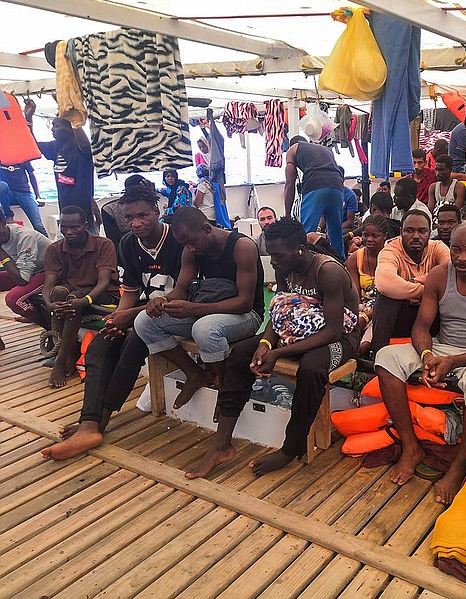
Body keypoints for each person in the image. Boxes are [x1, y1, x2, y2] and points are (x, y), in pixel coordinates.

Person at [185, 217, 361, 479]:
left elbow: (333, 331)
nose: (273, 262)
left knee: (312, 369)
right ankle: (221, 443)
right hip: (296, 328)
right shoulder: (284, 268)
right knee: (242, 353)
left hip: (338, 335)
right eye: (271, 255)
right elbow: (279, 312)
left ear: (300, 249)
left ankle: (291, 448)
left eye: (277, 255)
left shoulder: (328, 271)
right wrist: (266, 343)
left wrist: (277, 352)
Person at [41, 184, 184, 460]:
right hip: (140, 313)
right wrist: (120, 317)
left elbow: (182, 294)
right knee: (99, 346)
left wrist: (128, 317)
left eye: (143, 215)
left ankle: (96, 424)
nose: (136, 223)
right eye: (129, 218)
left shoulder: (177, 241)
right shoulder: (128, 243)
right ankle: (89, 422)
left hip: (172, 315)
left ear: (157, 212)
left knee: (131, 346)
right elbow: (129, 291)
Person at [375, 222, 466, 503]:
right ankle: (410, 446)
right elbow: (421, 327)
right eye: (457, 250)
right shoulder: (439, 276)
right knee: (386, 357)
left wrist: (453, 361)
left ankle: (459, 464)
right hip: (443, 348)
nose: (462, 258)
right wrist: (427, 356)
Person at [134, 206, 263, 410]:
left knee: (204, 329)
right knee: (144, 321)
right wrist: (162, 301)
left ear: (206, 229)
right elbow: (182, 290)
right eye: (185, 244)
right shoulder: (191, 249)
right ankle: (195, 373)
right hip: (206, 310)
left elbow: (244, 303)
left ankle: (226, 387)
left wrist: (193, 309)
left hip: (246, 315)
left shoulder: (242, 247)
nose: (190, 248)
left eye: (192, 242)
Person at [43, 206, 119, 387]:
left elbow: (103, 282)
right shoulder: (55, 249)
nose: (68, 232)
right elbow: (48, 284)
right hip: (74, 293)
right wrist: (49, 305)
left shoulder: (103, 244)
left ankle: (62, 360)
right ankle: (69, 354)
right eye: (64, 227)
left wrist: (85, 301)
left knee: (71, 299)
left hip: (103, 295)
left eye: (75, 227)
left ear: (86, 225)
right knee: (60, 293)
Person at [372, 210, 450, 353]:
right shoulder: (391, 250)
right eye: (409, 230)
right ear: (401, 232)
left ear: (430, 232)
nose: (416, 236)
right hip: (403, 316)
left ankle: (449, 348)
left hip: (431, 315)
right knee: (385, 299)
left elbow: (450, 273)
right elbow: (384, 282)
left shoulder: (437, 247)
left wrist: (408, 286)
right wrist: (425, 290)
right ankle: (378, 354)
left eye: (422, 231)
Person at [24, 100, 101, 234]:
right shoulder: (56, 147)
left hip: (85, 219)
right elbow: (31, 144)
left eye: (56, 126)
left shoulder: (81, 150)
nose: (52, 129)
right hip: (66, 217)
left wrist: (74, 120)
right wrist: (29, 118)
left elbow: (86, 147)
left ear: (69, 128)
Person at [284, 136, 346, 258]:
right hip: (337, 186)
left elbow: (289, 184)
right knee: (336, 234)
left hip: (315, 185)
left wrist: (287, 215)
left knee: (306, 234)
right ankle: (341, 265)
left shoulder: (292, 150)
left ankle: (306, 268)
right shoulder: (325, 149)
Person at [346, 215, 389, 355]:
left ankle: (363, 347)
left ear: (385, 236)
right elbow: (354, 292)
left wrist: (366, 317)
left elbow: (389, 294)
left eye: (375, 236)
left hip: (383, 305)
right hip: (362, 305)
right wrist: (358, 313)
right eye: (365, 235)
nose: (369, 239)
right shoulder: (355, 258)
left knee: (377, 319)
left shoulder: (392, 256)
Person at [0, 220, 51, 328]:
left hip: (49, 272)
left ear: (4, 223)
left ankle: (47, 325)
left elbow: (22, 280)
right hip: (26, 272)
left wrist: (1, 252)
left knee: (13, 299)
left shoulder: (24, 237)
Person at [0, 160, 48, 235]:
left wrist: (38, 196)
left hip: (24, 193)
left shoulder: (22, 157)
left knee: (38, 224)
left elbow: (31, 175)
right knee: (1, 185)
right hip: (8, 195)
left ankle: (48, 245)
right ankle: (8, 215)